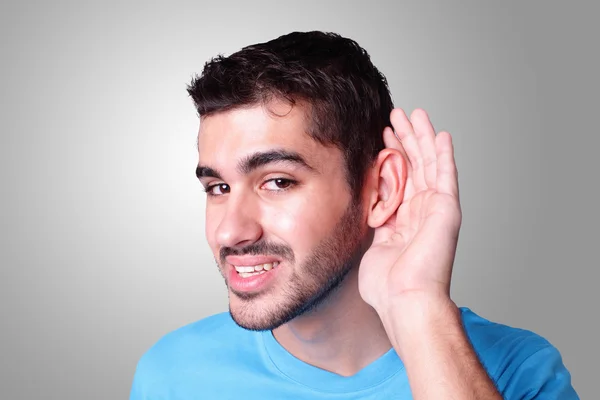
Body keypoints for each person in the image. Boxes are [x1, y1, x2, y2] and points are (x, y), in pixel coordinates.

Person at [130, 31, 578, 399]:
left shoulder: (519, 372)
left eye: (278, 181)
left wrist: (416, 304)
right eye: (218, 188)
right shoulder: (171, 376)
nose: (230, 230)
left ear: (380, 189)